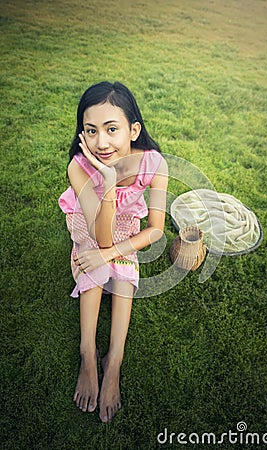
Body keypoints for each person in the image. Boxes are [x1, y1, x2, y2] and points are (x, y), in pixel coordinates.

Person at [58, 81, 168, 423]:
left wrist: (110, 255)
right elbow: (100, 237)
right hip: (91, 223)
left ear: (133, 130)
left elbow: (156, 230)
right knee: (94, 258)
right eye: (91, 131)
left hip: (125, 230)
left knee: (123, 274)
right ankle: (88, 352)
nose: (101, 142)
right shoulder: (78, 167)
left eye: (111, 129)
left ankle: (114, 359)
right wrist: (106, 183)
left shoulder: (154, 163)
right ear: (82, 134)